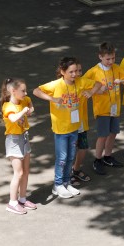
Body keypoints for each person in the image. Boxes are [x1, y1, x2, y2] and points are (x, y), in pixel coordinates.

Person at [33, 57, 96, 198]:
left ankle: (66, 182)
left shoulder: (80, 81)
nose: (74, 74)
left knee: (71, 156)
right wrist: (52, 99)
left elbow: (97, 84)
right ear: (62, 71)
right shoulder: (56, 85)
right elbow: (36, 91)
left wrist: (91, 92)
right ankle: (57, 185)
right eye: (71, 72)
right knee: (62, 157)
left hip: (74, 127)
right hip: (61, 129)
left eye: (76, 71)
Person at [83, 42, 124, 174]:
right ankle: (97, 159)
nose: (111, 61)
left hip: (114, 109)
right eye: (108, 59)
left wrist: (122, 81)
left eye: (113, 58)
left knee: (113, 133)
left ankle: (108, 157)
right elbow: (82, 84)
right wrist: (97, 91)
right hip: (102, 109)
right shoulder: (94, 71)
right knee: (103, 135)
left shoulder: (116, 68)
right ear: (100, 57)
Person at [1, 78, 35, 214]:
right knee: (19, 173)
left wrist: (29, 110)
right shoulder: (8, 106)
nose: (25, 93)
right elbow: (13, 118)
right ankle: (12, 202)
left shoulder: (24, 100)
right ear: (13, 91)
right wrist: (24, 111)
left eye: (25, 91)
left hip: (24, 137)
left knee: (26, 171)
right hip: (14, 141)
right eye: (23, 91)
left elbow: (31, 105)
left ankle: (22, 198)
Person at [71, 62, 92, 186]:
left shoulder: (83, 82)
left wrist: (92, 92)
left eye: (79, 70)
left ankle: (76, 169)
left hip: (81, 122)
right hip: (68, 125)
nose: (77, 73)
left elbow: (98, 85)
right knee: (70, 150)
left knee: (83, 147)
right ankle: (67, 175)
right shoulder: (61, 85)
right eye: (74, 71)